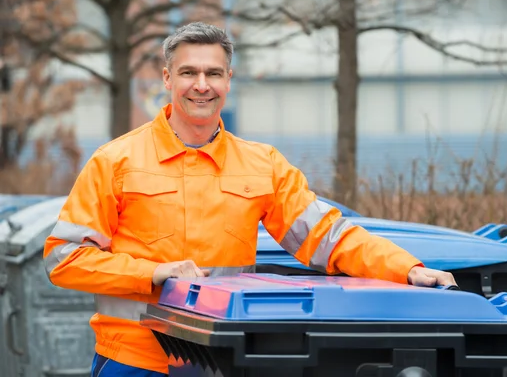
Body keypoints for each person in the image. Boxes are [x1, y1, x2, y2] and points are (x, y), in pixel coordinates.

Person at [43, 22, 456, 377]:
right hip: (134, 359)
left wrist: (408, 269)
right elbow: (63, 258)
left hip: (222, 361)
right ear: (167, 79)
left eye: (213, 73)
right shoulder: (115, 160)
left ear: (229, 79)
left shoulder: (262, 165)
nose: (201, 85)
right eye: (188, 72)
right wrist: (151, 273)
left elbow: (329, 237)